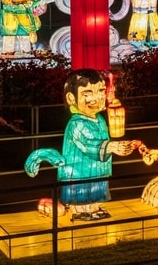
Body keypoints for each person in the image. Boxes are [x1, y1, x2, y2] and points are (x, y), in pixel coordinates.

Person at [23, 69, 142, 222]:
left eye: (101, 91)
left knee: (97, 190)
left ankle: (95, 208)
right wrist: (112, 147)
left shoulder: (99, 119)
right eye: (87, 94)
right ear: (71, 98)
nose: (97, 98)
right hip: (78, 172)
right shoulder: (76, 123)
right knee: (81, 193)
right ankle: (79, 211)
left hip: (99, 169)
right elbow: (88, 145)